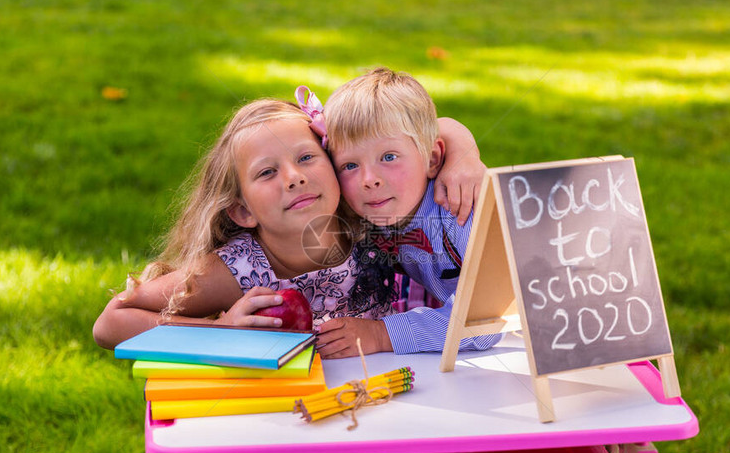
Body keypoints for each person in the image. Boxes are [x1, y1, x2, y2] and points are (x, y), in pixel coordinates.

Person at [92, 96, 486, 350]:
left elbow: (420, 129)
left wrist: (464, 152)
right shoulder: (239, 270)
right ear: (242, 211)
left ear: (335, 165)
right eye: (267, 173)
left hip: (396, 387)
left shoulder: (369, 213)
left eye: (306, 158)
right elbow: (111, 322)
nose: (294, 177)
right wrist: (223, 332)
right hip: (287, 417)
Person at [312, 67, 502, 359]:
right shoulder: (365, 210)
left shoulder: (460, 209)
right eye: (350, 165)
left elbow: (484, 322)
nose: (368, 179)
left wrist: (380, 334)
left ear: (433, 159)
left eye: (388, 157)